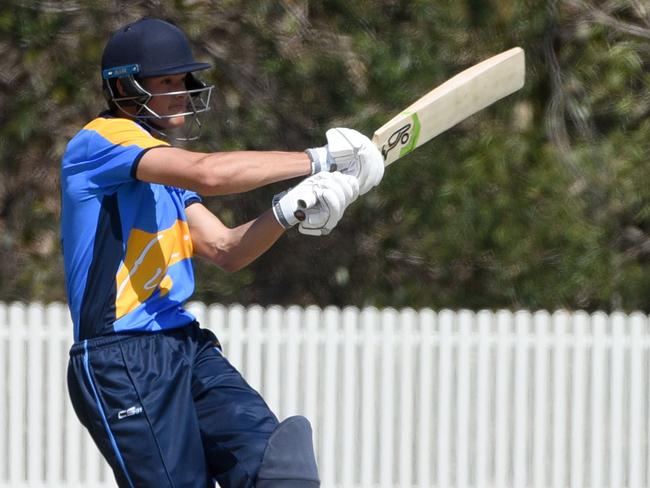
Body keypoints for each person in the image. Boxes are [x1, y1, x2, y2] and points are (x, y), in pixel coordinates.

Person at [61, 17, 384, 488]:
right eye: (167, 81)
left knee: (277, 470)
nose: (182, 91)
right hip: (122, 356)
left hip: (184, 345)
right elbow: (209, 174)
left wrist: (290, 208)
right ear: (125, 86)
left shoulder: (158, 172)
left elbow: (226, 248)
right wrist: (320, 159)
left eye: (183, 80)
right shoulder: (101, 141)